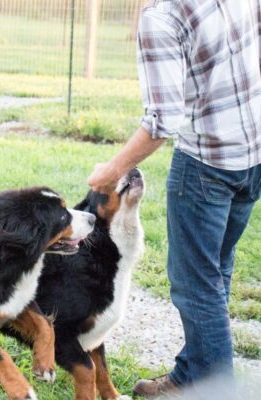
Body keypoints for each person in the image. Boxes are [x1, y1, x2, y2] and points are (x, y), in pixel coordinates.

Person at [87, 0, 261, 398]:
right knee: (214, 271)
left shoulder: (160, 16)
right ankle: (191, 374)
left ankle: (216, 390)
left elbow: (162, 121)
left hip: (207, 167)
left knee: (196, 284)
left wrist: (111, 172)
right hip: (254, 158)